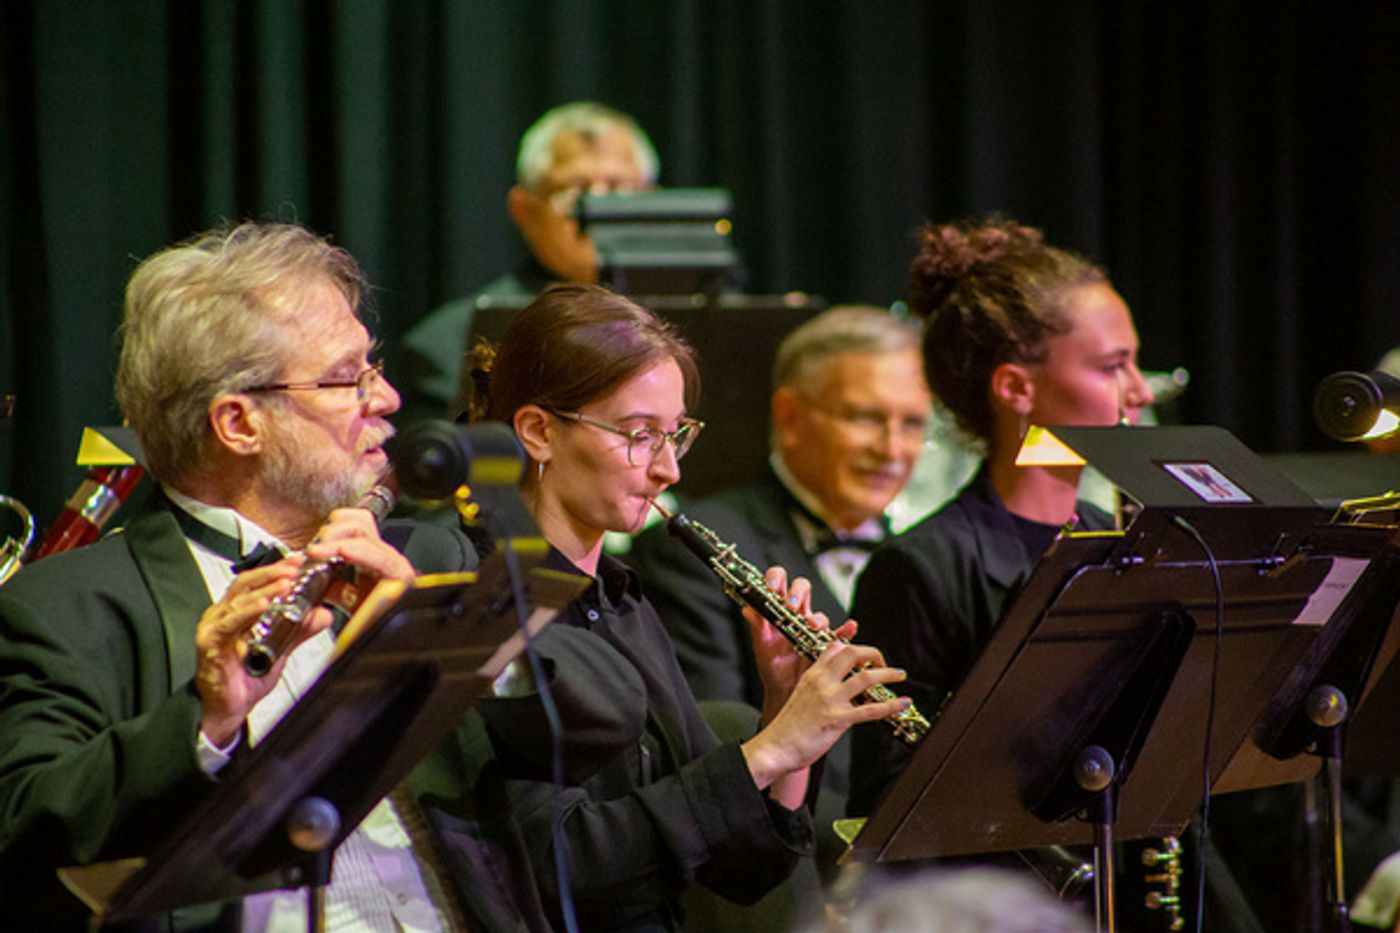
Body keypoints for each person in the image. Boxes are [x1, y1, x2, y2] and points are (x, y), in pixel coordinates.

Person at [0, 222, 491, 931]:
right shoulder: (62, 607)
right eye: (349, 377)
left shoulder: (429, 557)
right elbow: (26, 824)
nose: (385, 399)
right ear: (238, 423)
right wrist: (207, 719)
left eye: (373, 366)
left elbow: (569, 745)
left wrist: (436, 645)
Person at [462, 283, 912, 930]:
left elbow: (741, 873)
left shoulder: (621, 602)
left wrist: (786, 717)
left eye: (676, 435)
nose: (669, 469)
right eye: (641, 435)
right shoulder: (481, 596)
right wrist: (769, 750)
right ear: (538, 432)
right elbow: (557, 862)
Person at [624, 306, 930, 875]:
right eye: (865, 418)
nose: (892, 450)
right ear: (790, 416)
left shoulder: (926, 557)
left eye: (912, 423)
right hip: (799, 878)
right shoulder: (693, 553)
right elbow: (715, 750)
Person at [399, 101, 658, 426]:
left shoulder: (711, 321)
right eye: (576, 192)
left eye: (621, 190)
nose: (598, 210)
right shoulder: (448, 346)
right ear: (524, 209)